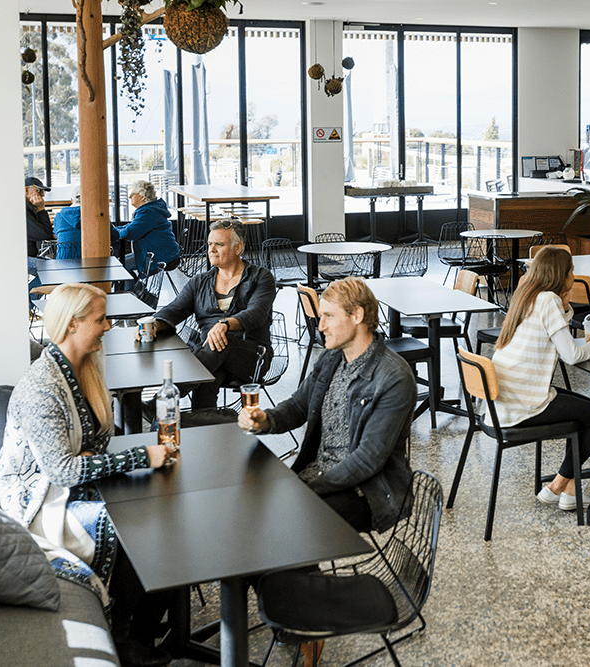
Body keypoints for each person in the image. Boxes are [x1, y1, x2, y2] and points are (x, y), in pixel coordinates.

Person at [0, 283, 174, 667]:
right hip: (32, 502)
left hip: (61, 486)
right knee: (132, 522)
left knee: (163, 512)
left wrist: (86, 460)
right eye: (100, 320)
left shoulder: (83, 368)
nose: (107, 327)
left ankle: (140, 622)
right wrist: (140, 456)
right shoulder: (42, 386)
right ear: (72, 325)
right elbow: (64, 469)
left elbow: (92, 448)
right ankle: (122, 634)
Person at [238, 277, 416, 534]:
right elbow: (299, 406)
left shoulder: (393, 378)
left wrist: (306, 491)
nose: (320, 326)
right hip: (320, 476)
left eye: (329, 316)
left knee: (276, 526)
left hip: (365, 493)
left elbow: (367, 460)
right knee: (250, 514)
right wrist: (265, 420)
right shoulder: (333, 358)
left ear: (356, 315)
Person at [490, 246, 590, 511]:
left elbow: (561, 341)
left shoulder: (528, 295)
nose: (574, 275)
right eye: (572, 270)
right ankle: (558, 485)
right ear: (562, 274)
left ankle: (569, 491)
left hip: (506, 401)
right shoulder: (549, 301)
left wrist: (567, 310)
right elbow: (571, 355)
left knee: (583, 409)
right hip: (523, 404)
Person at [148, 219, 276, 409]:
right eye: (209, 244)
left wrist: (225, 325)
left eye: (219, 244)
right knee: (210, 375)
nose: (211, 250)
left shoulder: (261, 277)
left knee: (220, 343)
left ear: (238, 248)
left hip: (252, 358)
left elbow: (256, 313)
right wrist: (155, 323)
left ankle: (166, 397)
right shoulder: (199, 282)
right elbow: (176, 309)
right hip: (210, 356)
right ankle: (205, 428)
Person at [114, 180, 181, 277]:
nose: (129, 197)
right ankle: (134, 289)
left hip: (159, 256)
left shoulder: (148, 212)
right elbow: (132, 226)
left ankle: (135, 291)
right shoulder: (150, 209)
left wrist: (114, 233)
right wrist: (115, 229)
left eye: (132, 194)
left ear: (142, 196)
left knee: (119, 266)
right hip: (160, 252)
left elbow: (131, 232)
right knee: (120, 264)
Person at [52, 189, 118, 260]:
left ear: (71, 200)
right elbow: (114, 235)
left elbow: (57, 236)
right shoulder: (98, 215)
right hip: (93, 261)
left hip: (63, 262)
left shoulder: (58, 217)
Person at [25, 176, 54, 258]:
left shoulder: (29, 209)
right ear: (26, 190)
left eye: (43, 192)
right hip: (25, 260)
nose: (42, 195)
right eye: (38, 190)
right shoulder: (23, 211)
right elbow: (45, 234)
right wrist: (41, 209)